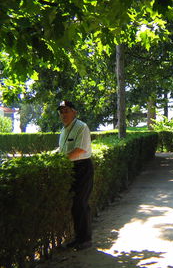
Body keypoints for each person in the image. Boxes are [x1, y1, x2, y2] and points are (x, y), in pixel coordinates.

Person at [58, 100, 94, 251]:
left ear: (74, 112)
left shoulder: (81, 127)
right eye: (61, 112)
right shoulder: (64, 130)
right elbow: (62, 149)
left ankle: (85, 239)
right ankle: (79, 238)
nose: (63, 114)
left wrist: (60, 161)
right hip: (71, 169)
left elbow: (80, 150)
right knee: (75, 206)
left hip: (82, 168)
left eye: (66, 111)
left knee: (80, 203)